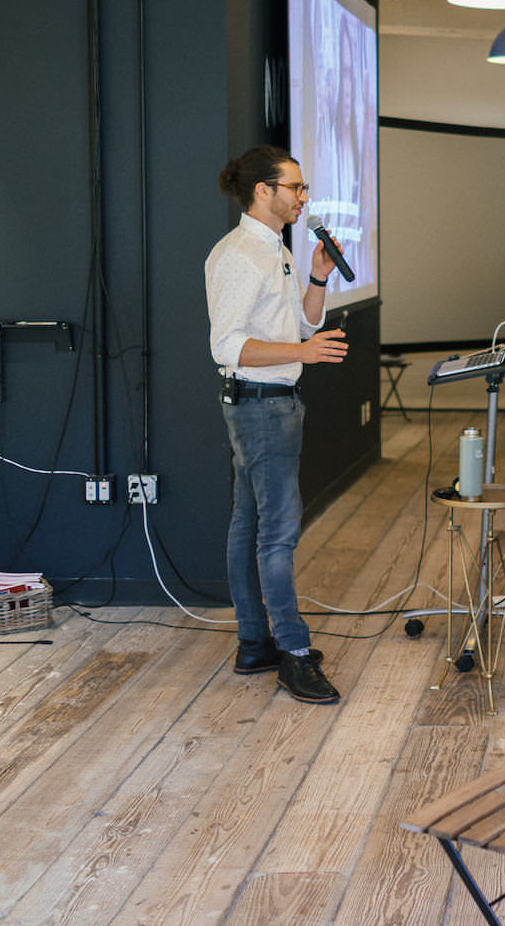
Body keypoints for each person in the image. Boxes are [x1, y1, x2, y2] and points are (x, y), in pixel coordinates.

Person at [205, 145, 344, 704]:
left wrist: (317, 277)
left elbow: (303, 324)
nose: (303, 197)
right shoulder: (240, 255)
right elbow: (227, 345)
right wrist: (302, 353)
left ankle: (254, 643)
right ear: (263, 190)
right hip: (260, 406)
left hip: (271, 403)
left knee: (249, 524)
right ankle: (293, 650)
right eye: (295, 187)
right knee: (278, 533)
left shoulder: (275, 248)